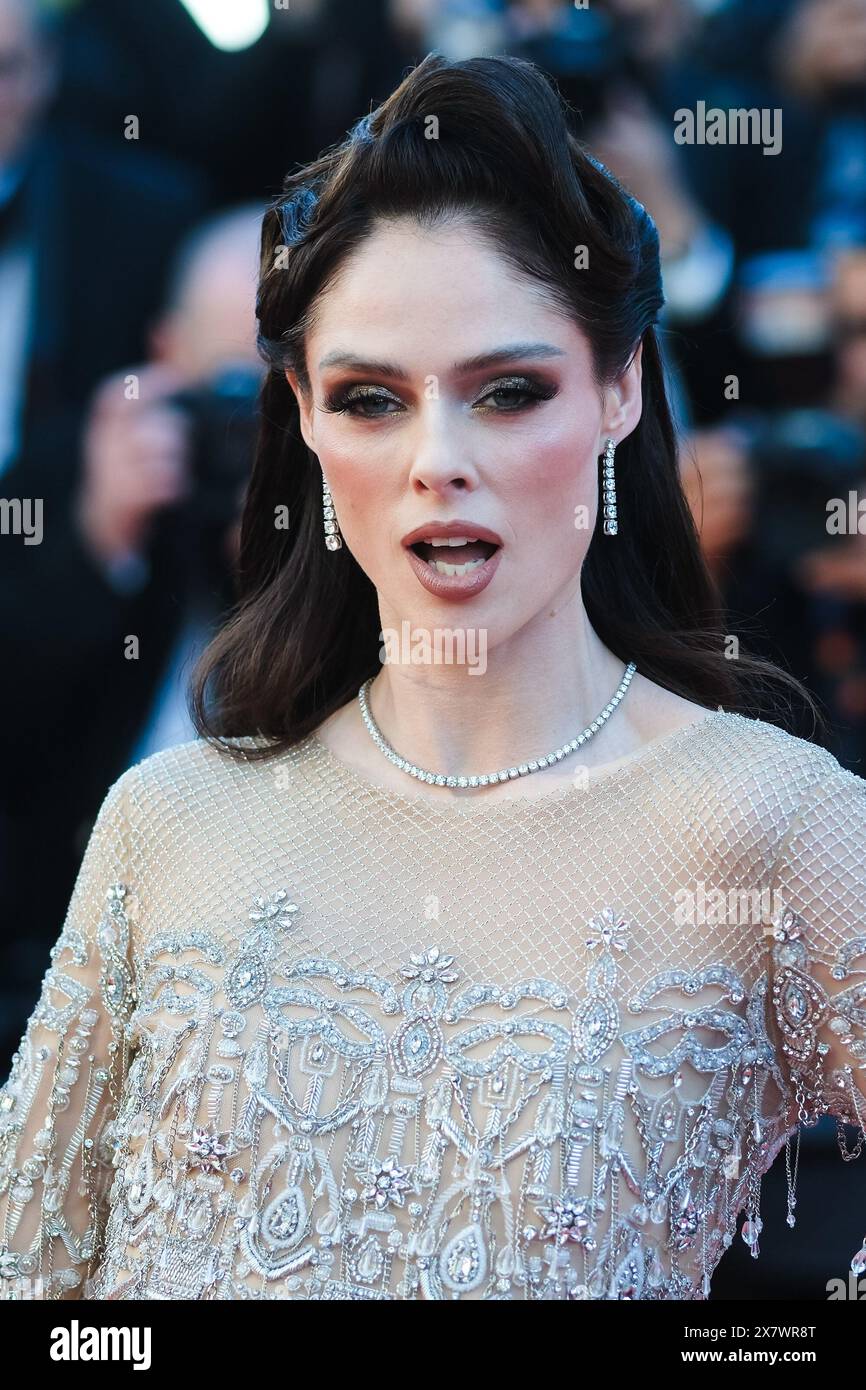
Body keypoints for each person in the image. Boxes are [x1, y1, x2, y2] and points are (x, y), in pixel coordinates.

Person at [1, 52, 865, 1303]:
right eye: (368, 399)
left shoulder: (765, 826)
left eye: (508, 392)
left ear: (620, 390)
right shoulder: (169, 823)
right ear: (299, 414)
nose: (436, 460)